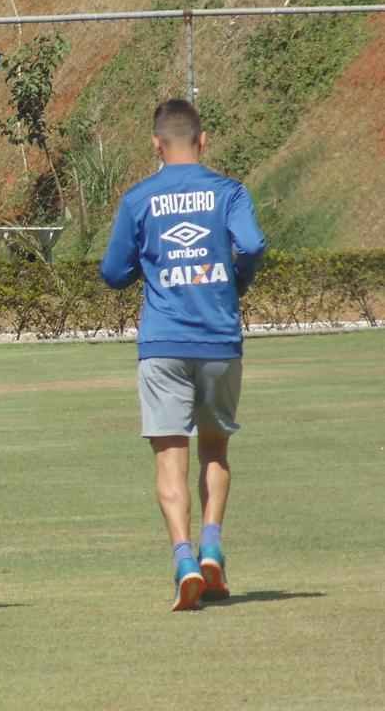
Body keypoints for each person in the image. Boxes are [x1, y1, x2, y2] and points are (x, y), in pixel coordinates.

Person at [100, 99, 266, 611]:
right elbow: (253, 245)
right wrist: (235, 280)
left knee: (169, 459)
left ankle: (183, 558)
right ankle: (212, 544)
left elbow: (112, 272)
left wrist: (146, 270)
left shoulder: (139, 198)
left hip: (163, 344)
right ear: (203, 140)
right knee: (215, 451)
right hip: (219, 339)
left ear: (155, 144)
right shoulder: (228, 192)